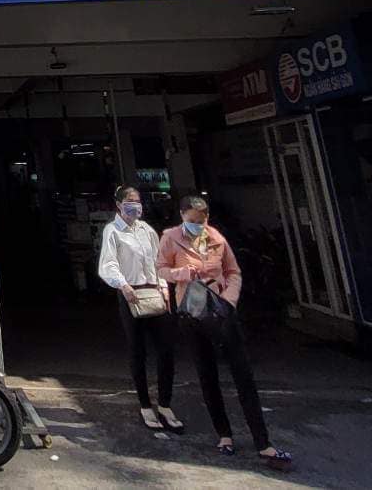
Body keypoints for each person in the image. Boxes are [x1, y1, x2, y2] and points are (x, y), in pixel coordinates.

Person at [158, 195, 291, 468]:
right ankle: (224, 435)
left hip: (221, 312)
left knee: (243, 375)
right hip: (192, 313)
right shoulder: (170, 238)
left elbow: (233, 272)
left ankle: (263, 442)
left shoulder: (216, 238)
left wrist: (229, 301)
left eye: (202, 220)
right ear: (182, 215)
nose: (198, 225)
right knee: (207, 375)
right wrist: (182, 273)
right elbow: (161, 269)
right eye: (192, 220)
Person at [99, 185, 183, 432]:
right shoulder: (112, 231)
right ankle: (145, 405)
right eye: (130, 201)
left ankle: (165, 404)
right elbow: (108, 264)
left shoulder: (146, 230)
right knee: (138, 352)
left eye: (137, 201)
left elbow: (158, 261)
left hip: (154, 293)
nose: (135, 205)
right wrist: (123, 285)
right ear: (118, 204)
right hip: (131, 295)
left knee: (166, 350)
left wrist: (164, 287)